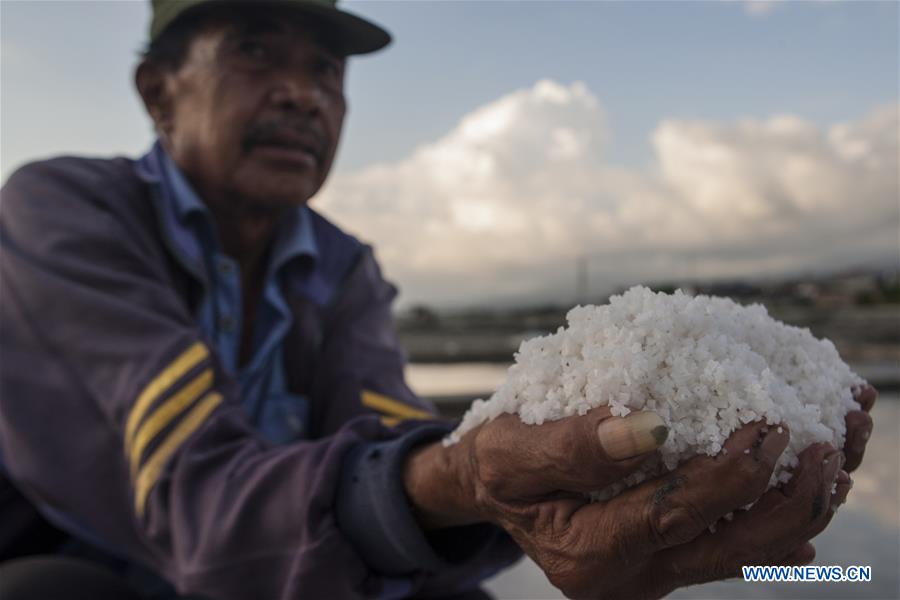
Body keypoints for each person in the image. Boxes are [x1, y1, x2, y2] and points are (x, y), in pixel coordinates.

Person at [0, 1, 876, 598]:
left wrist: (522, 488)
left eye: (327, 70)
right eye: (255, 52)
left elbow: (393, 448)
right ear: (160, 91)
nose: (304, 94)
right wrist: (462, 477)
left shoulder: (342, 268)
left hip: (289, 559)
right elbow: (191, 492)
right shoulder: (63, 214)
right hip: (98, 561)